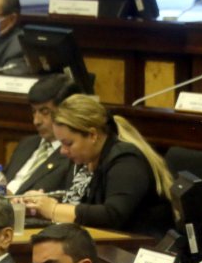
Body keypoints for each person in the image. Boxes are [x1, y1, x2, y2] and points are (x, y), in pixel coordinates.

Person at [19, 96, 174, 238]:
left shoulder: (126, 160)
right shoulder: (84, 159)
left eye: (68, 143)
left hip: (138, 249)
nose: (63, 151)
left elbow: (111, 215)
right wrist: (40, 204)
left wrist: (53, 209)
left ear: (92, 135)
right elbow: (75, 201)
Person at [5, 75, 79, 195]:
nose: (36, 121)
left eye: (45, 112)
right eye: (34, 111)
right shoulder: (27, 143)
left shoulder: (73, 154)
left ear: (66, 111)